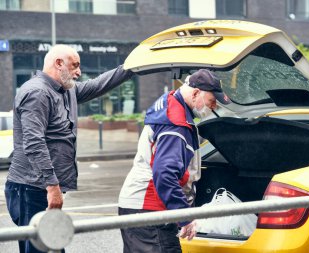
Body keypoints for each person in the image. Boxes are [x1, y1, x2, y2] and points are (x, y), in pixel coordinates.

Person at [4, 44, 133, 253]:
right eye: (75, 66)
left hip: (41, 188)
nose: (79, 72)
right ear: (58, 64)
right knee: (43, 248)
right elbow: (34, 142)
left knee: (51, 247)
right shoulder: (37, 92)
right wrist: (52, 187)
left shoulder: (66, 90)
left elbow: (98, 85)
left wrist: (131, 67)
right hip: (30, 189)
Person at [118, 69, 231, 253]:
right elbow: (165, 174)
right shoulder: (176, 125)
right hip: (150, 209)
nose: (214, 108)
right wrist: (185, 216)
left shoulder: (171, 102)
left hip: (139, 207)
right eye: (212, 102)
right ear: (195, 93)